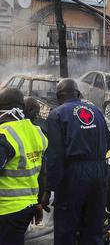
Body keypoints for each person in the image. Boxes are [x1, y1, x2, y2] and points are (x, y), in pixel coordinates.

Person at [41, 79, 110, 245]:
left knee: (66, 229)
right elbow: (109, 143)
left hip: (73, 176)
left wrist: (48, 190)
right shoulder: (96, 111)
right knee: (94, 228)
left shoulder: (57, 114)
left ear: (59, 96)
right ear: (79, 94)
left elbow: (55, 157)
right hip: (99, 173)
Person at [0, 88, 48, 245]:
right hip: (28, 206)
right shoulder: (36, 132)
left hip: (7, 209)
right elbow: (41, 171)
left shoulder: (5, 134)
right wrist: (39, 202)